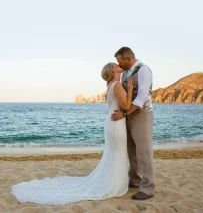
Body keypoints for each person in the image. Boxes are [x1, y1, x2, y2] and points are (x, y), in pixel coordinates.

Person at [11, 63, 134, 205]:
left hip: (112, 122)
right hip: (116, 124)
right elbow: (126, 106)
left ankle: (114, 181)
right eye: (114, 65)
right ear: (112, 70)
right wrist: (130, 89)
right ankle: (114, 184)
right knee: (117, 153)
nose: (118, 65)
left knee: (114, 154)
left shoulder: (111, 85)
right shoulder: (117, 85)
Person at [111, 47, 155, 200]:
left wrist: (124, 113)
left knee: (144, 151)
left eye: (120, 62)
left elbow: (142, 98)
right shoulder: (125, 73)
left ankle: (148, 188)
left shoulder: (144, 71)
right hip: (128, 115)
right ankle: (135, 180)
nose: (119, 65)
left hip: (141, 114)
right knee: (131, 151)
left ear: (129, 59)